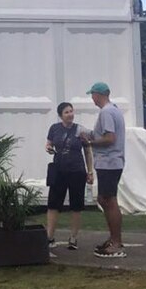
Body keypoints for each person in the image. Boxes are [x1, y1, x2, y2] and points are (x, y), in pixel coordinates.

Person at [80, 82, 126, 258]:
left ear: (98, 95)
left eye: (92, 95)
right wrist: (91, 134)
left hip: (109, 161)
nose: (92, 99)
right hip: (111, 162)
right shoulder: (114, 110)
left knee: (108, 199)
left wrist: (90, 142)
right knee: (104, 199)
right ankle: (113, 238)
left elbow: (110, 138)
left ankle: (116, 242)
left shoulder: (106, 112)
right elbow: (105, 135)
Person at [45, 102, 93, 251]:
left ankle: (73, 238)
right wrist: (49, 148)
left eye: (71, 111)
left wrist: (90, 171)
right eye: (67, 112)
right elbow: (48, 144)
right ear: (61, 115)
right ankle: (49, 236)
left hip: (77, 171)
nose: (70, 114)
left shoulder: (80, 130)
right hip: (59, 170)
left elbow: (87, 151)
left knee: (76, 205)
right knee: (53, 204)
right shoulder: (54, 128)